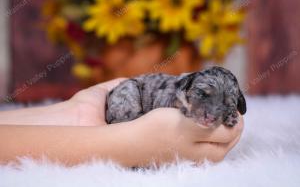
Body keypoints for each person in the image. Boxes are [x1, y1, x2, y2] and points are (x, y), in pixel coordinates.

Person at [0, 78, 244, 167]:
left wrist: (78, 112)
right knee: (126, 109)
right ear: (187, 87)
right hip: (133, 94)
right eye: (203, 96)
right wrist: (128, 143)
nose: (211, 113)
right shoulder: (178, 91)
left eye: (226, 104)